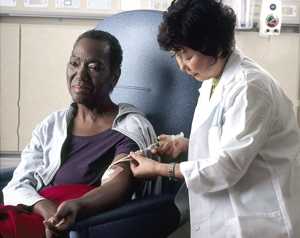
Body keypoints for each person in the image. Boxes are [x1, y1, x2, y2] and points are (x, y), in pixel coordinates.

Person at [129, 0, 300, 237]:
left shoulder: (250, 88)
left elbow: (226, 167)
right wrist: (187, 144)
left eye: (187, 55)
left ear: (215, 46)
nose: (182, 66)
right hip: (226, 212)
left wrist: (160, 169)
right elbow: (232, 142)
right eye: (176, 55)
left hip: (258, 220)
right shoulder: (213, 78)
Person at [1, 29, 157, 238]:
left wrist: (78, 206)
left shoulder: (128, 127)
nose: (80, 75)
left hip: (79, 219)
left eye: (93, 67)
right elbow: (18, 183)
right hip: (37, 211)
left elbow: (119, 183)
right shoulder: (51, 125)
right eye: (74, 63)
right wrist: (44, 207)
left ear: (114, 76)